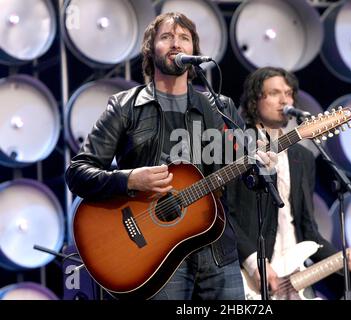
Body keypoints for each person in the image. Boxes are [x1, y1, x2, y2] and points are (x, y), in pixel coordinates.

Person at [65, 12, 276, 300]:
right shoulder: (125, 106)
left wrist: (263, 168)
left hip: (217, 250)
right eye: (166, 37)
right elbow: (78, 172)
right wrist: (129, 179)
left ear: (194, 52)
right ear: (151, 50)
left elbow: (249, 177)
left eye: (184, 38)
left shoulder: (219, 107)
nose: (176, 43)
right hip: (155, 255)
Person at [227, 66, 351, 300]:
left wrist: (344, 261)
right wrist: (254, 264)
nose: (285, 99)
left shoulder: (301, 157)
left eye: (289, 93)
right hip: (246, 278)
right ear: (254, 101)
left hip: (293, 281)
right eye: (274, 93)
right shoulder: (236, 148)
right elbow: (225, 215)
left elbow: (308, 230)